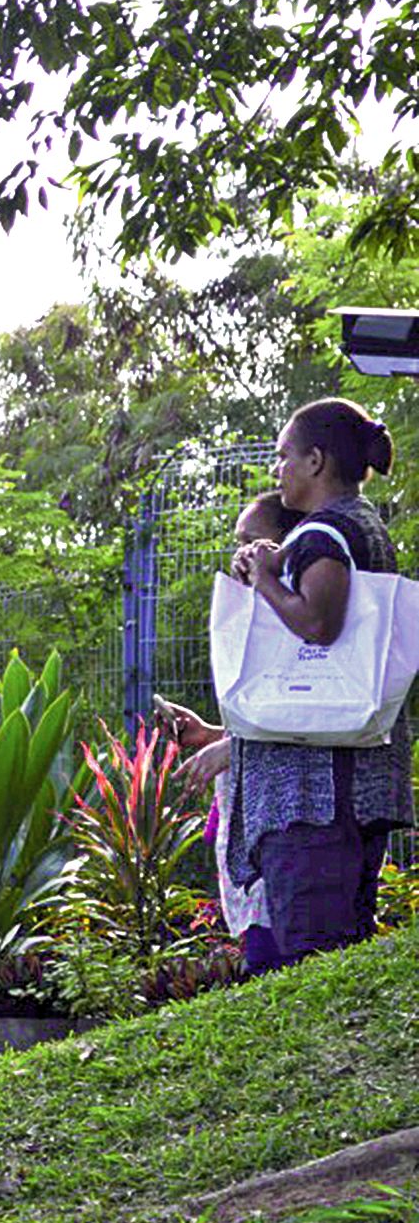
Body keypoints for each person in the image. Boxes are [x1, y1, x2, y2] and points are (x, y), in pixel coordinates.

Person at [223, 400, 408, 968]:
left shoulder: (326, 531)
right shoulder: (362, 525)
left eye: (284, 457)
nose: (277, 471)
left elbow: (318, 623)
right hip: (357, 782)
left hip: (313, 798)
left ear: (316, 461)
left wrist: (263, 583)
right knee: (343, 960)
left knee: (311, 958)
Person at [157, 490, 306, 976]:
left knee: (279, 965)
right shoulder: (257, 615)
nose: (240, 553)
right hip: (253, 830)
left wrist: (231, 749)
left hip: (283, 823)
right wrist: (210, 735)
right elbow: (267, 717)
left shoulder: (298, 619)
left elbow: (306, 717)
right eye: (238, 542)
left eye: (254, 541)